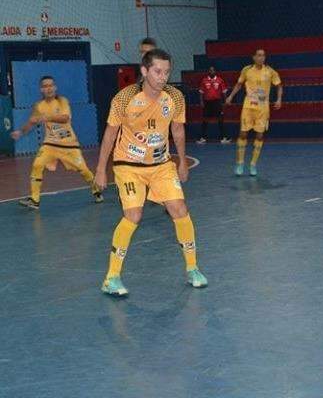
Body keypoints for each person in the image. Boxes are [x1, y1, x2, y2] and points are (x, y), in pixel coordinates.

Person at [94, 48, 207, 296]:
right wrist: (101, 169)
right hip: (128, 165)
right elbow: (110, 134)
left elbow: (177, 130)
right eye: (157, 71)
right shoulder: (125, 98)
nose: (162, 76)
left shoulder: (175, 97)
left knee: (179, 209)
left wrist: (182, 161)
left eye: (166, 72)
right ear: (144, 71)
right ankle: (111, 277)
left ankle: (192, 268)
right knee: (133, 215)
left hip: (161, 165)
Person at [10, 76, 103, 210]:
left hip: (69, 144)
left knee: (83, 170)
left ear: (55, 87)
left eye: (51, 85)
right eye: (45, 86)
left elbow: (65, 118)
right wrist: (20, 132)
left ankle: (96, 190)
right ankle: (35, 200)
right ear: (41, 89)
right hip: (50, 144)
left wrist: (46, 117)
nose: (48, 88)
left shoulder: (62, 101)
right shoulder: (39, 106)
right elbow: (32, 121)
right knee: (37, 164)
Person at [225, 49, 282, 176]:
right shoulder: (246, 70)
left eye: (263, 55)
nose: (261, 58)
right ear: (254, 57)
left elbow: (279, 86)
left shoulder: (270, 72)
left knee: (260, 136)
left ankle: (253, 164)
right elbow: (239, 85)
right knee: (243, 133)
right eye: (259, 55)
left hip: (263, 109)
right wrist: (231, 96)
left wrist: (279, 99)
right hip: (248, 107)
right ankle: (240, 163)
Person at [196, 66, 231, 144]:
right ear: (208, 71)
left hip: (217, 102)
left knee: (220, 119)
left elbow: (224, 91)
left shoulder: (219, 80)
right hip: (207, 103)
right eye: (210, 70)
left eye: (213, 70)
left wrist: (226, 100)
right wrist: (201, 101)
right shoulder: (204, 80)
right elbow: (201, 92)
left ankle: (223, 138)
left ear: (215, 71)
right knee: (205, 119)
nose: (211, 71)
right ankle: (203, 138)